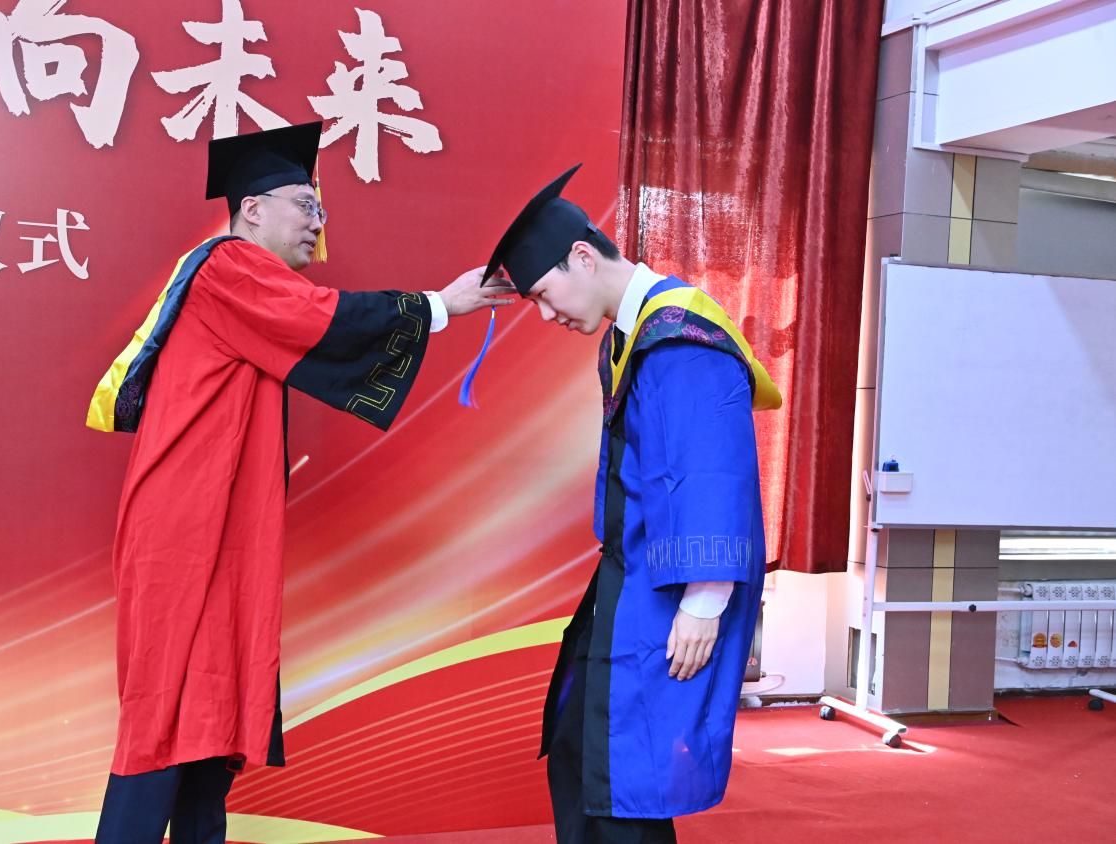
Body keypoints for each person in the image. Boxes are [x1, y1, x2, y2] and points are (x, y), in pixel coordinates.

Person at [86, 121, 512, 843]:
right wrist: (442, 304)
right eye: (306, 206)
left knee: (211, 710)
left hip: (218, 523)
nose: (317, 224)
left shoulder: (238, 279)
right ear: (252, 209)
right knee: (165, 713)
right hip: (186, 528)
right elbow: (324, 319)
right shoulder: (226, 266)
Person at [481, 165, 781, 843]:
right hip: (629, 581)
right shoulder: (632, 335)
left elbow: (712, 471)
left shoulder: (681, 339)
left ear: (582, 257)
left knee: (625, 781)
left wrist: (705, 601)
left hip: (668, 594)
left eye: (544, 294)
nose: (548, 315)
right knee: (588, 754)